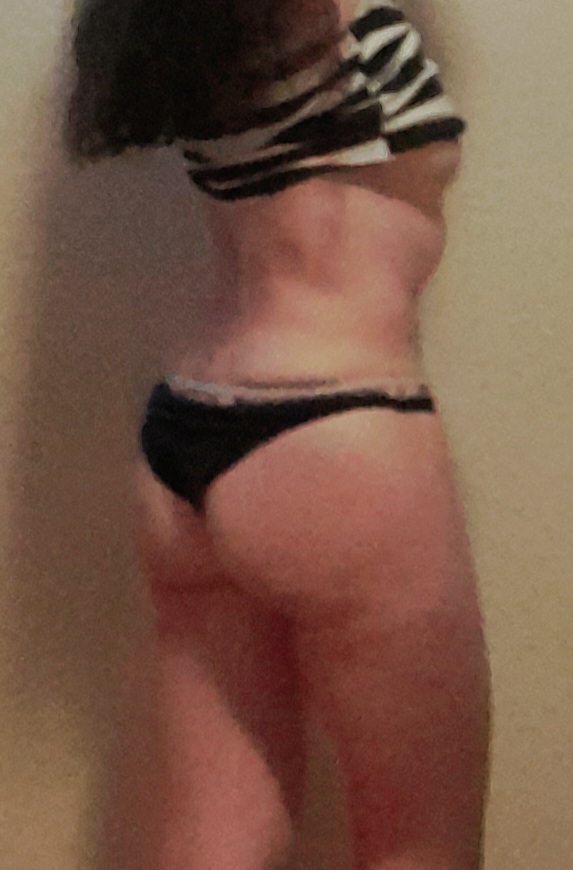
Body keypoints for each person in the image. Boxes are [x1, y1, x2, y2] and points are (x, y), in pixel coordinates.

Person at [69, 1, 491, 868]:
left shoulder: (202, 22)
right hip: (334, 429)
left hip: (188, 426)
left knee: (211, 846)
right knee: (420, 850)